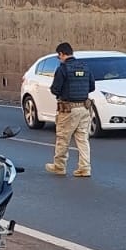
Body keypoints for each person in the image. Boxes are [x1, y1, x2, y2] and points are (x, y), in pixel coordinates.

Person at [45, 42, 95, 178]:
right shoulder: (85, 67)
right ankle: (85, 168)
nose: (59, 58)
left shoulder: (63, 69)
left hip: (68, 109)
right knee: (83, 138)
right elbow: (92, 87)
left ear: (61, 54)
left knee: (63, 138)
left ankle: (59, 166)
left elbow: (55, 89)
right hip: (85, 108)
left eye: (58, 56)